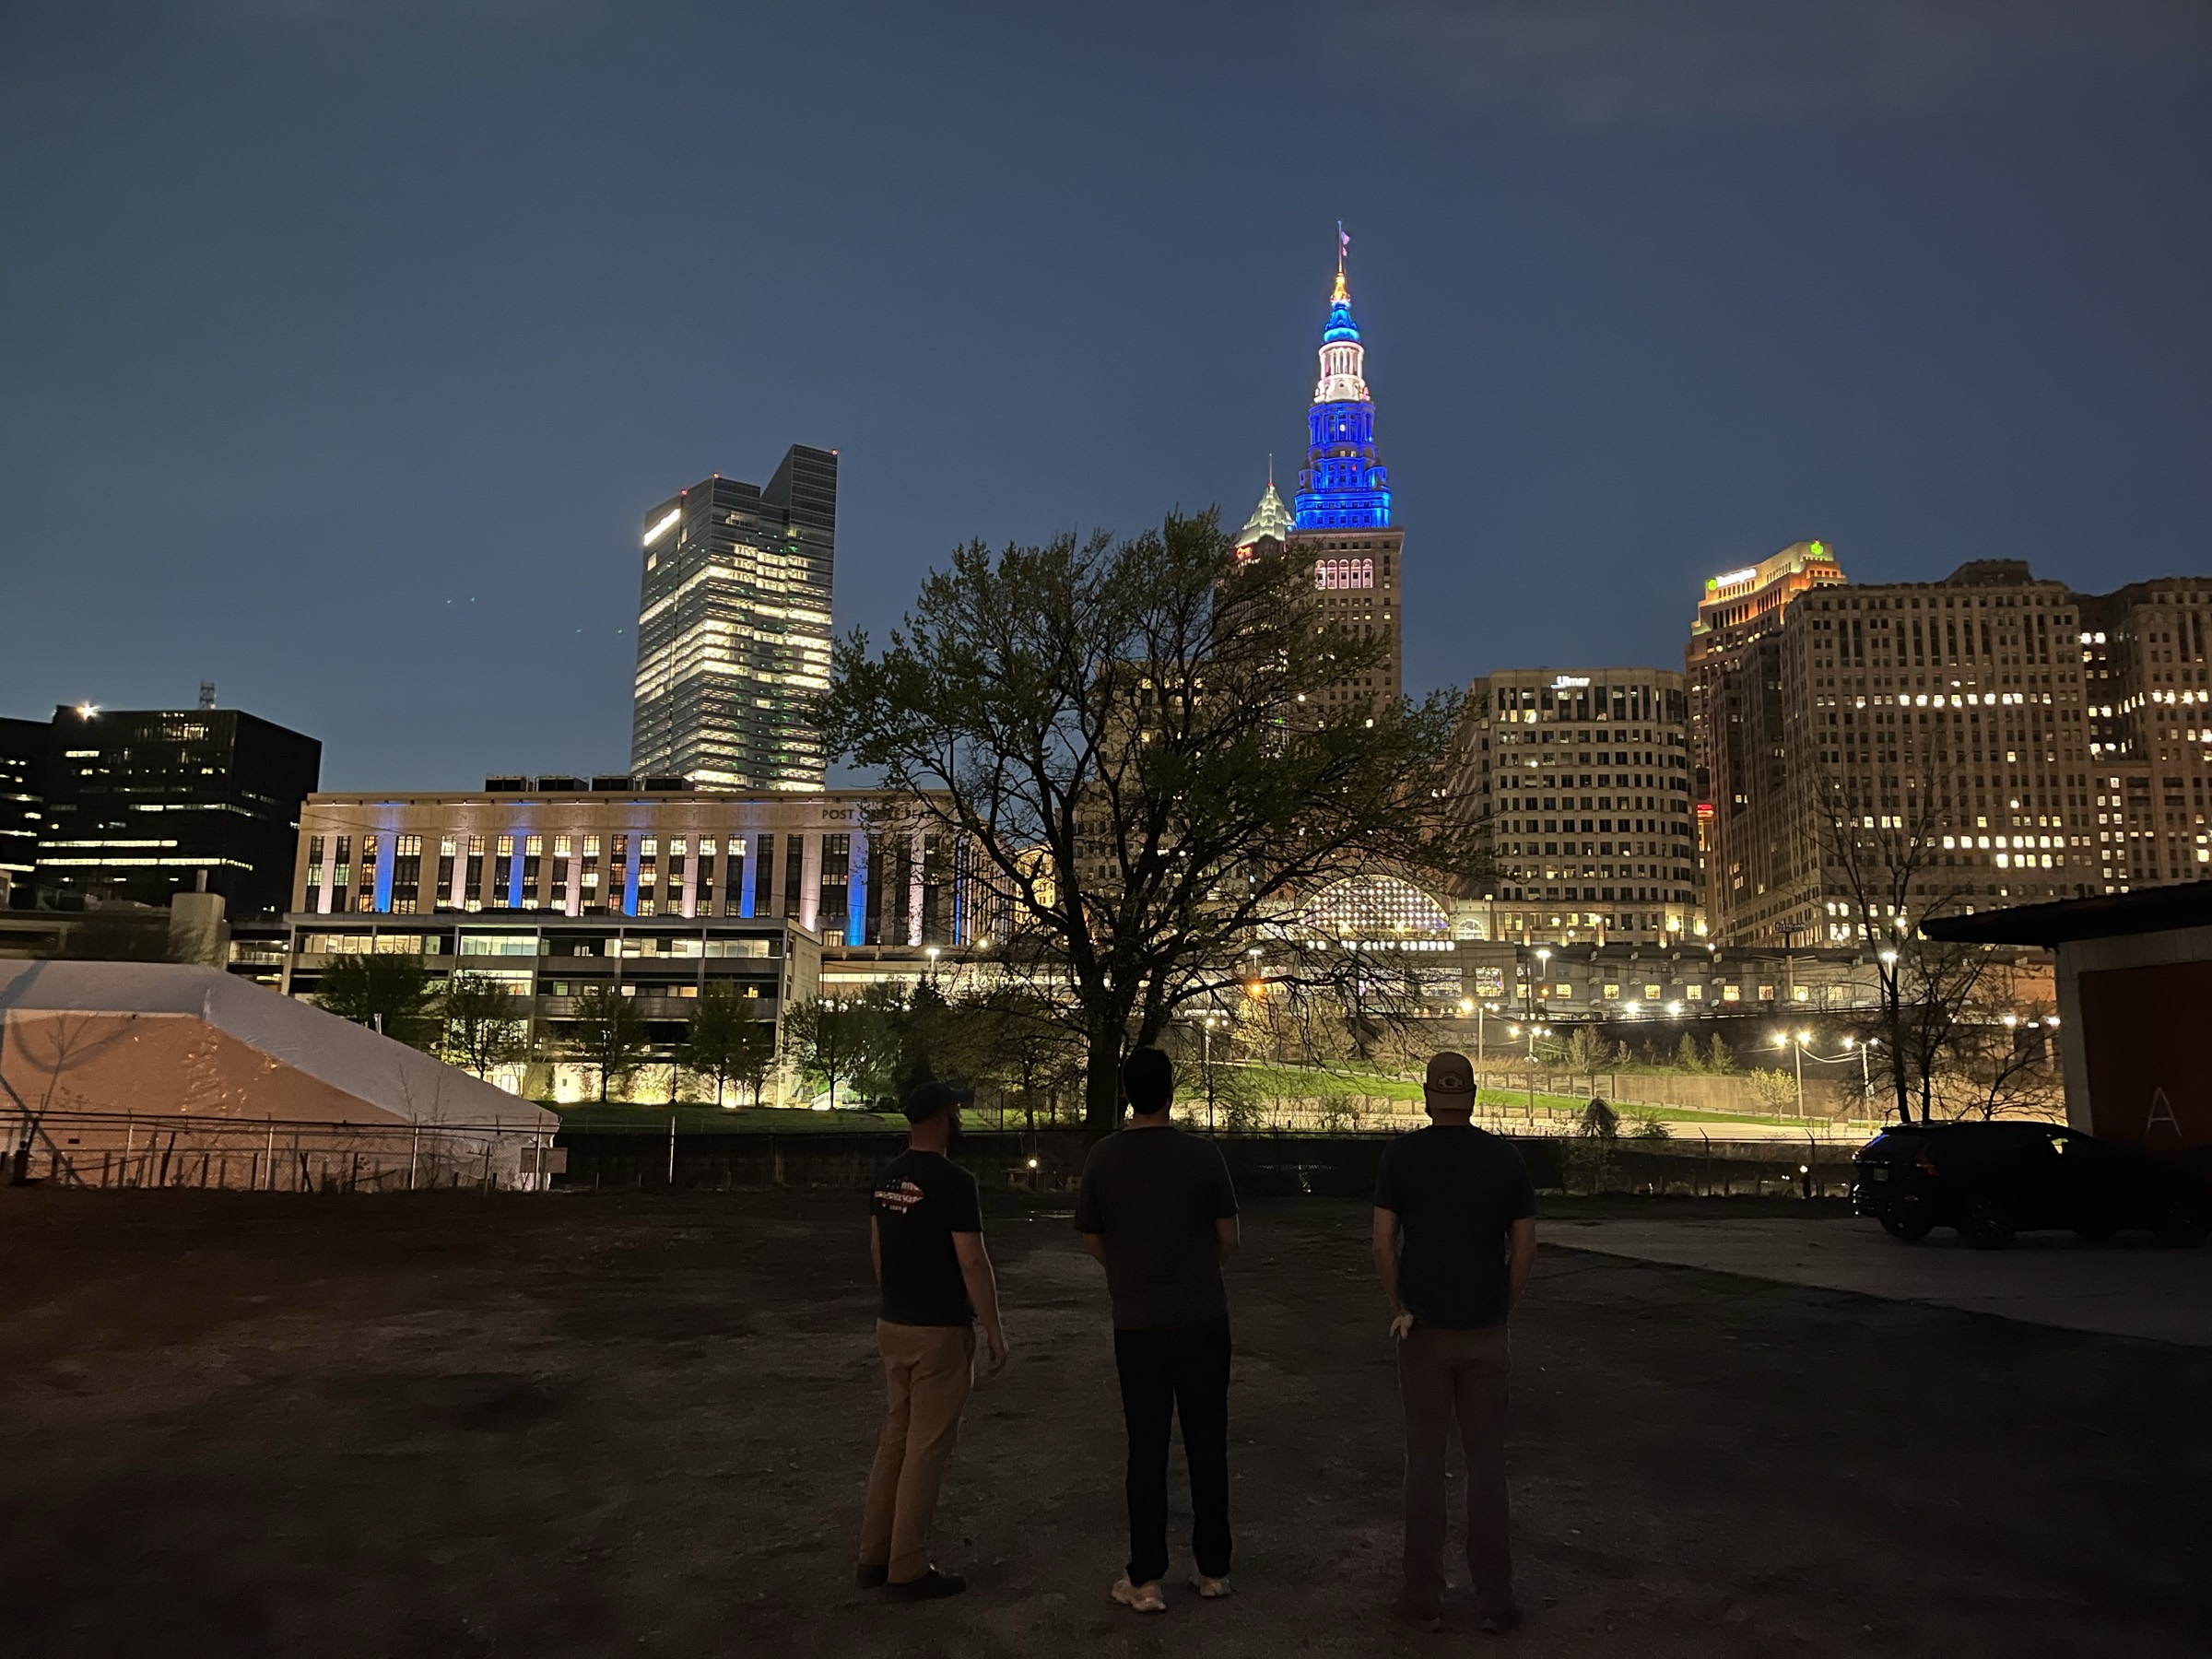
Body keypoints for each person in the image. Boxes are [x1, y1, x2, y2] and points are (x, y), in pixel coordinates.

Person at [1371, 1051, 1537, 1635]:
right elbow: (1523, 1247)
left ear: (1426, 1095)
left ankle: (1424, 1598)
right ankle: (1496, 1599)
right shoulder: (1505, 1161)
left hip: (1425, 1334)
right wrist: (1502, 1305)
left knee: (1425, 1466)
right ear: (1472, 1095)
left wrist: (1400, 1308)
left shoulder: (1402, 1156)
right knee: (1487, 1468)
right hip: (1486, 1334)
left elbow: (1382, 1242)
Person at [1074, 1045, 1241, 1615]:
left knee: (1145, 1449)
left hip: (1138, 1322)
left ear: (1126, 1094)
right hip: (1202, 1318)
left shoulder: (1103, 1158)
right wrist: (1194, 1270)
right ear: (1172, 1092)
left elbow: (1094, 1237)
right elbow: (1228, 1235)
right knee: (1206, 1443)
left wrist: (1128, 1270)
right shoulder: (1203, 1155)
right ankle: (1214, 1567)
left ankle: (1145, 1577)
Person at [857, 1079, 1008, 1601]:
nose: (960, 1120)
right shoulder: (954, 1182)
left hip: (892, 1324)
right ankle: (907, 1565)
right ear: (943, 1118)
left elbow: (878, 1250)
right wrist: (993, 1326)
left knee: (894, 1442)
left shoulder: (887, 1177)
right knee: (926, 1449)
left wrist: (895, 1301)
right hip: (939, 1330)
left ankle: (873, 1554)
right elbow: (972, 1260)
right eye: (956, 1112)